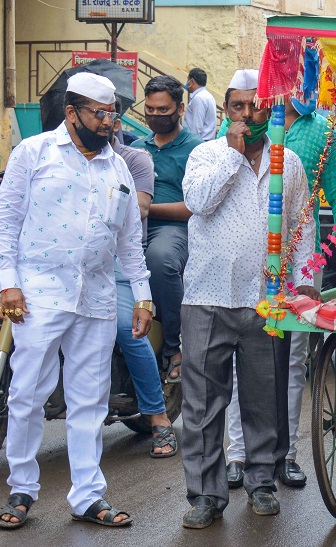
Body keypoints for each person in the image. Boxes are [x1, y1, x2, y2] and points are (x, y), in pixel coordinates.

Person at [0, 72, 152, 529]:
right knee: (26, 392)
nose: (108, 123)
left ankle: (88, 496)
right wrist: (9, 283)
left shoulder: (118, 168)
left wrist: (142, 296)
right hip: (38, 293)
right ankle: (22, 487)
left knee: (89, 401)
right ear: (72, 113)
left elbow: (128, 242)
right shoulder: (33, 153)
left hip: (96, 298)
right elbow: (4, 224)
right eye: (99, 114)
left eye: (112, 115)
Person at [179, 69, 319, 529]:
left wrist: (305, 282)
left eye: (255, 106)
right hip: (207, 295)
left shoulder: (289, 162)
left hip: (266, 300)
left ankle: (262, 482)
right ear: (225, 111)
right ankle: (205, 495)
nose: (247, 115)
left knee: (265, 398)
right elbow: (198, 202)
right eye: (237, 107)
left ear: (271, 109)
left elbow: (301, 227)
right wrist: (233, 158)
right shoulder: (205, 155)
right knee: (202, 403)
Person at [223, 95, 336, 489]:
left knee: (293, 360)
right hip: (244, 261)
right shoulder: (244, 118)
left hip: (300, 263)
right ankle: (237, 453)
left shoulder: (321, 128)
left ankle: (287, 455)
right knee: (240, 359)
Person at [110, 100, 177, 458]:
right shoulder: (59, 157)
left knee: (127, 328)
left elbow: (139, 209)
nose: (103, 121)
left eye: (108, 114)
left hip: (122, 262)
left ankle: (158, 417)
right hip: (73, 268)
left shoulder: (134, 159)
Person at [132, 75, 204, 385]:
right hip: (133, 228)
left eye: (163, 110)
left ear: (180, 109)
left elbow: (194, 207)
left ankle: (175, 348)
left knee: (159, 259)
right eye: (150, 109)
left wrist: (148, 209)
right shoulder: (135, 148)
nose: (156, 115)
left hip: (174, 229)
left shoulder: (197, 150)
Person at [183, 68, 218, 141]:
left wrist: (192, 143)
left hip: (198, 142)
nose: (187, 83)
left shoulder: (199, 98)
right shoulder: (208, 96)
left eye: (188, 80)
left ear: (192, 81)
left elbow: (197, 126)